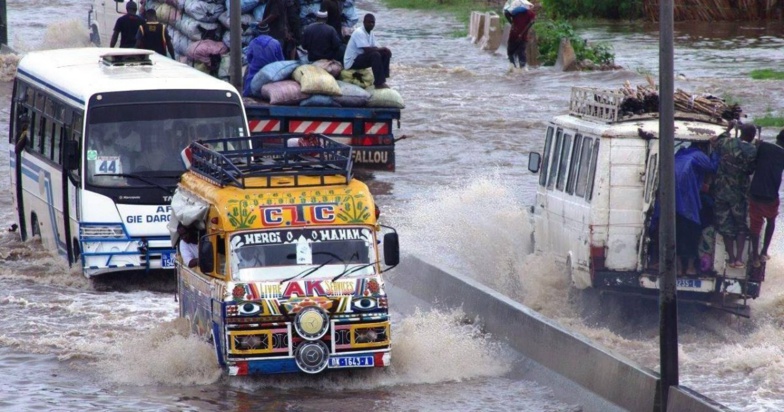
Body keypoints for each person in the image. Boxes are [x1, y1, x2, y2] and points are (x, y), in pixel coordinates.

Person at [710, 121, 757, 268]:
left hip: (722, 193)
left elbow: (714, 141)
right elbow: (750, 170)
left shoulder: (727, 143)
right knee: (741, 226)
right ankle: (739, 259)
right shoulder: (753, 150)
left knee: (725, 226)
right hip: (739, 195)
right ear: (752, 136)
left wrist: (729, 129)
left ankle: (730, 259)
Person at [674, 141, 719, 275]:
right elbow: (714, 167)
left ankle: (678, 267)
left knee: (676, 235)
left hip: (672, 204)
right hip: (689, 205)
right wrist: (716, 152)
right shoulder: (699, 155)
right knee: (692, 235)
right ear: (703, 146)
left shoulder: (679, 154)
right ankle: (690, 267)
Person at [748, 129, 784, 266]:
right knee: (771, 220)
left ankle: (755, 256)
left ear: (777, 138)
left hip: (755, 193)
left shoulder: (763, 146)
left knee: (755, 226)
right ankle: (764, 252)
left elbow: (752, 163)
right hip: (771, 196)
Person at [344, 14, 392, 89]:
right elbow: (367, 50)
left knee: (386, 53)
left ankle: (383, 79)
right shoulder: (359, 32)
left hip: (360, 58)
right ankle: (378, 83)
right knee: (375, 55)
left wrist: (384, 50)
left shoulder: (370, 33)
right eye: (369, 22)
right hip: (352, 62)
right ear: (364, 22)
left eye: (373, 22)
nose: (371, 24)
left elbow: (375, 46)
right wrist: (382, 49)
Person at [242, 23, 285, 97]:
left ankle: (247, 94)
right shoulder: (275, 42)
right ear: (268, 31)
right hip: (272, 70)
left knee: (248, 78)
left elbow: (249, 57)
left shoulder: (253, 42)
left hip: (255, 70)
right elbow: (281, 60)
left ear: (258, 32)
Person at [504, 0, 536, 71]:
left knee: (510, 53)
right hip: (523, 37)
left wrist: (511, 22)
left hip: (513, 35)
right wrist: (521, 34)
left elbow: (506, 13)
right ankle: (523, 69)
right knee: (521, 52)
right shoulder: (530, 13)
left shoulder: (515, 12)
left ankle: (513, 68)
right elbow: (531, 22)